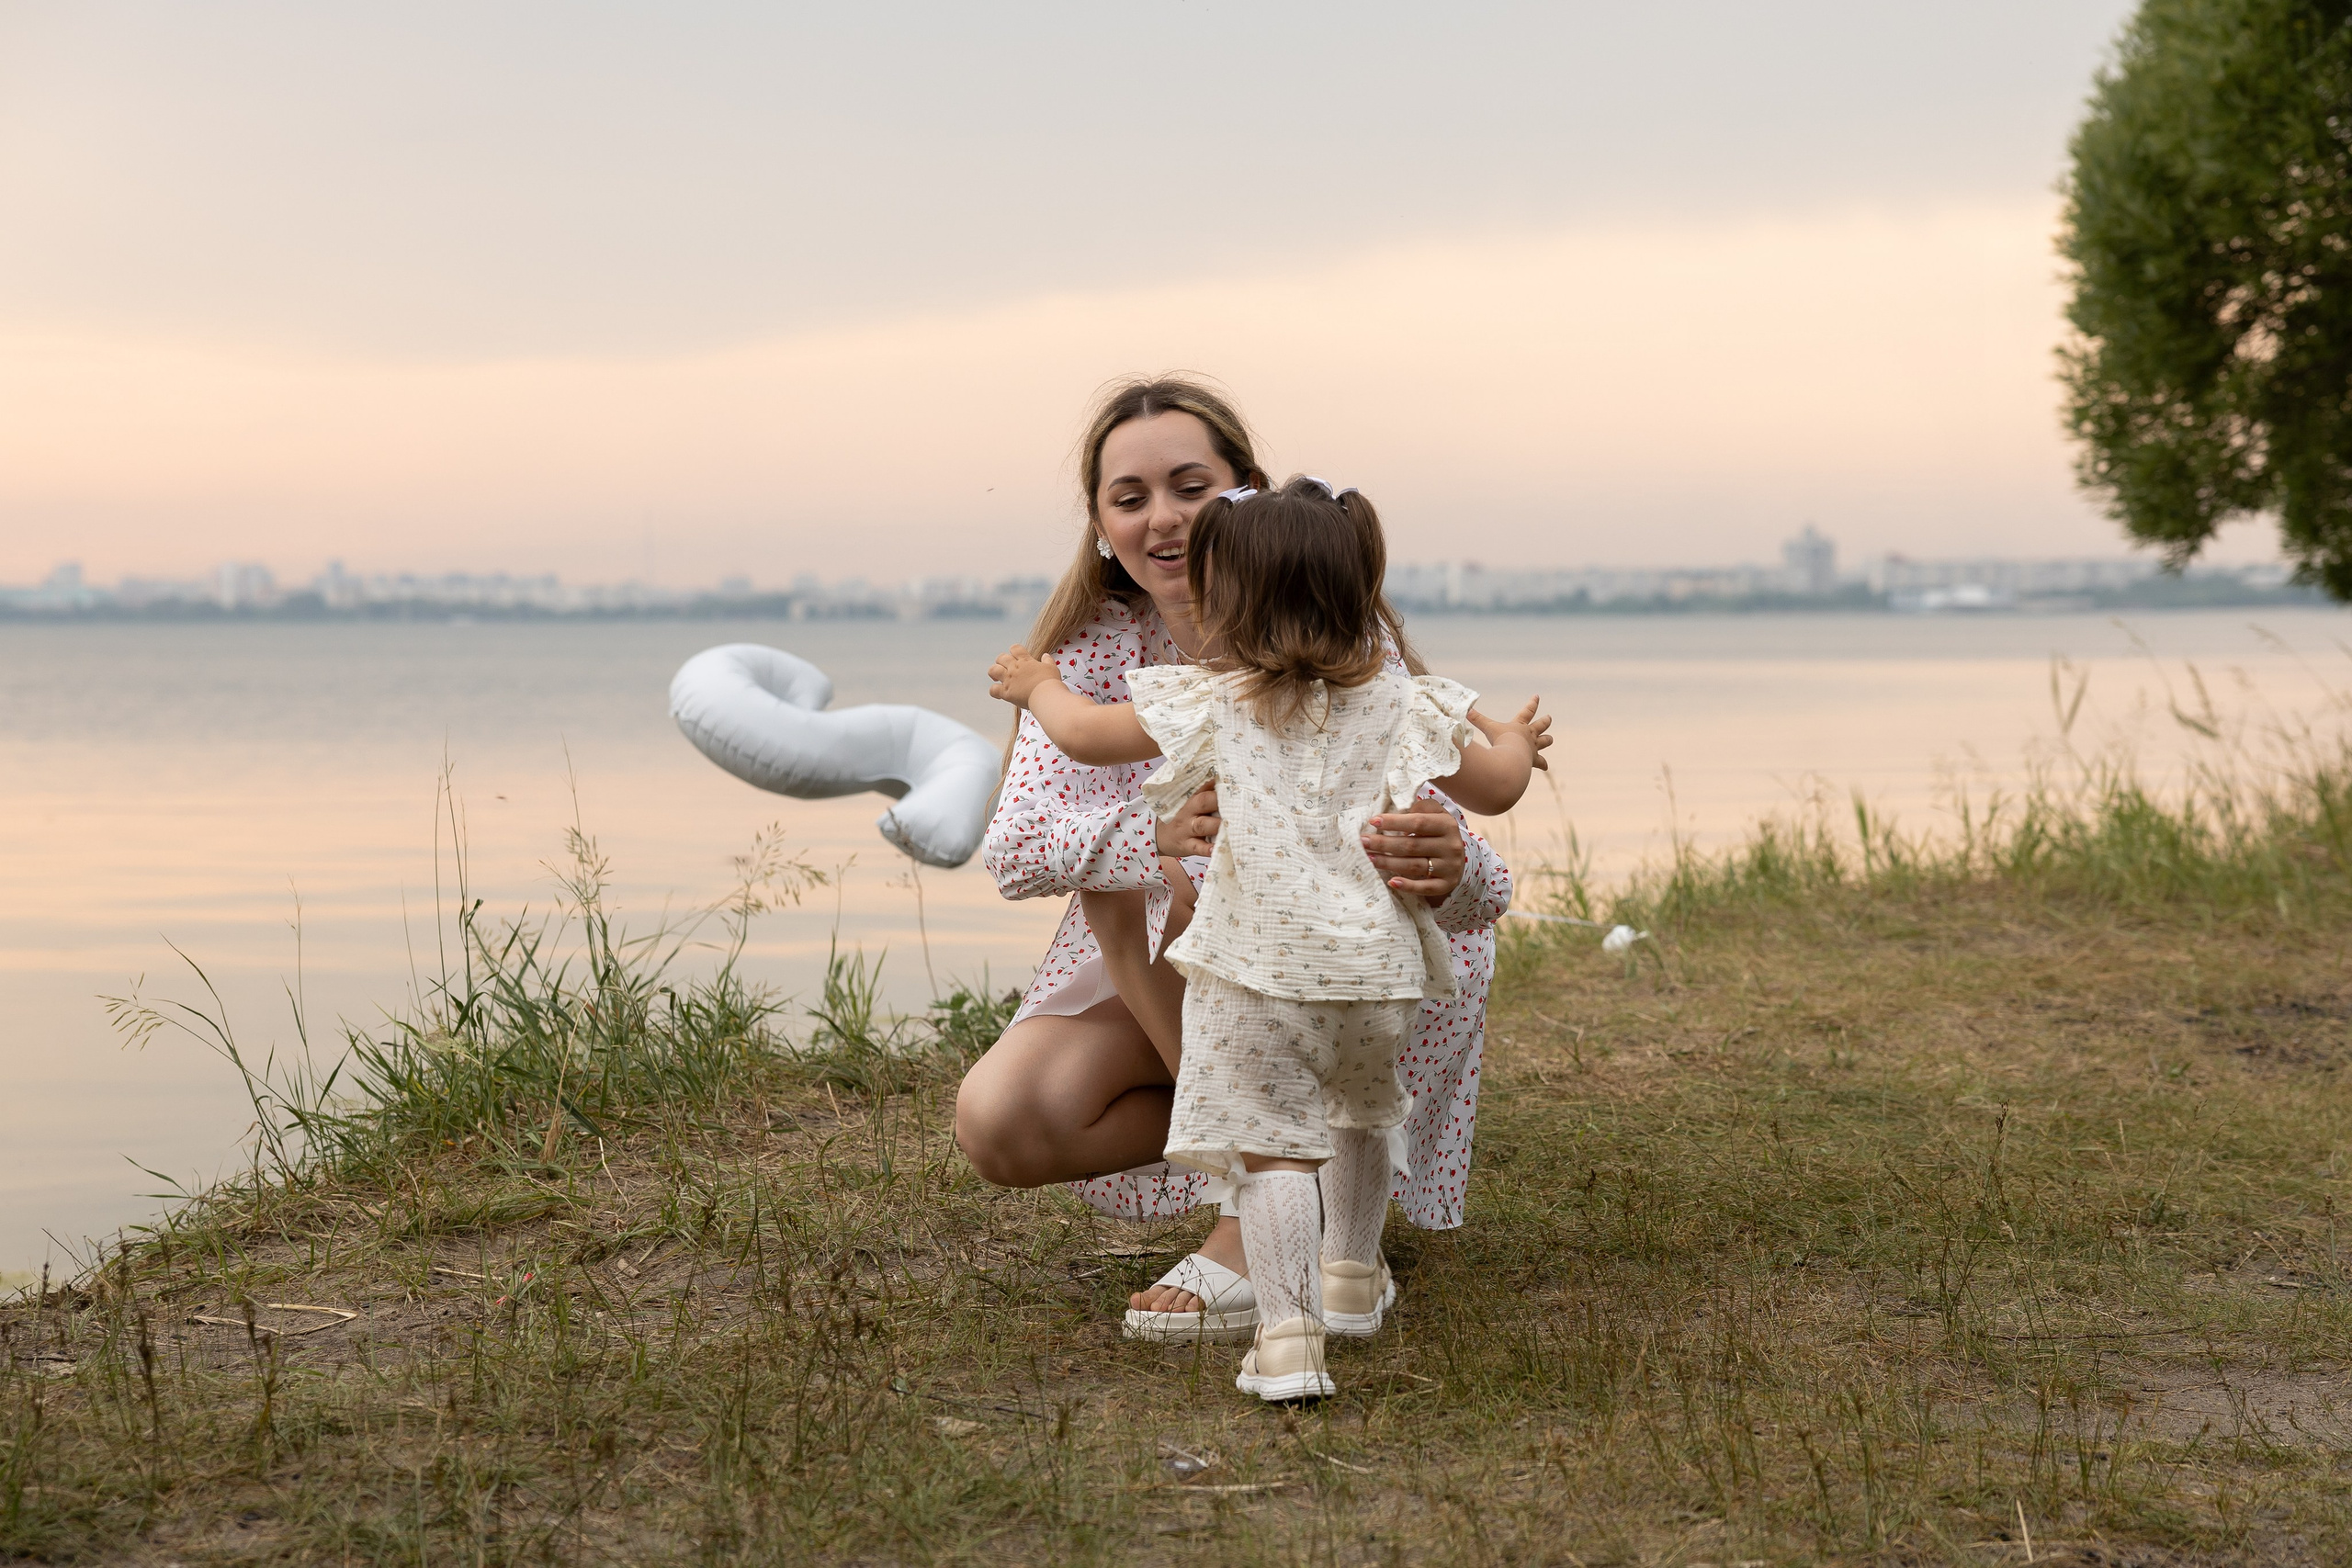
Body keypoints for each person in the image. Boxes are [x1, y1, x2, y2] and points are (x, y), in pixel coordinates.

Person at [954, 376, 1516, 1341]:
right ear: (1098, 526)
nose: (1163, 520)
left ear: (1247, 496)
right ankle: (1287, 1168)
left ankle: (1272, 1225)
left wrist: (1452, 859)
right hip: (1195, 960)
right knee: (1005, 1117)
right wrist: (1151, 836)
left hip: (1346, 963)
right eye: (1129, 499)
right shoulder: (1092, 651)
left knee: (1241, 898)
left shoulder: (1336, 642)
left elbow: (1478, 882)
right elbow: (1014, 850)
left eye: (1189, 487)